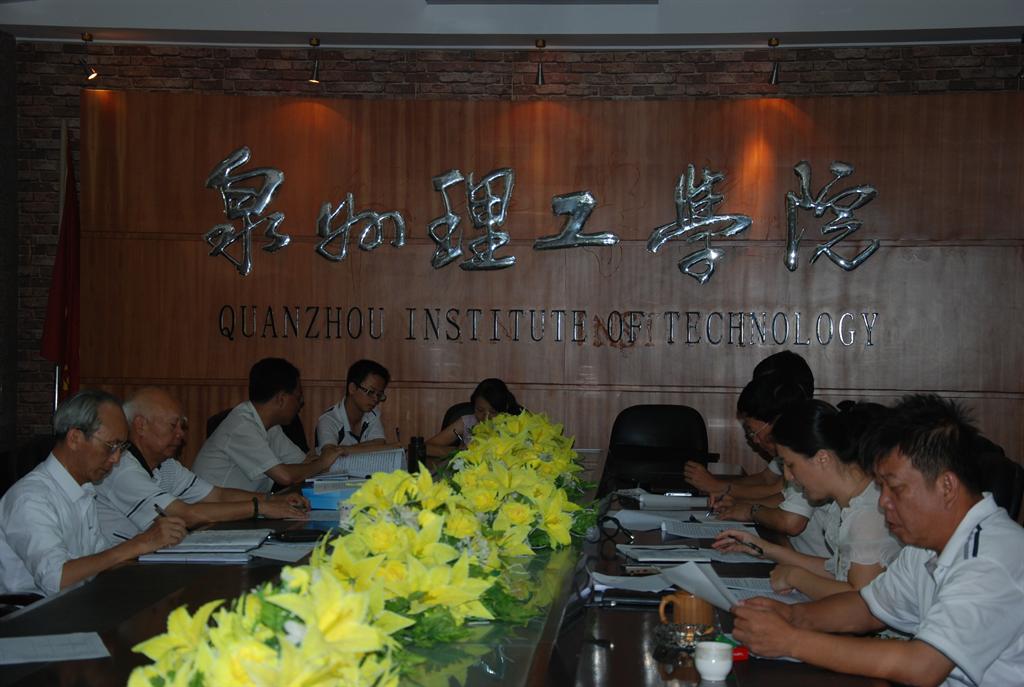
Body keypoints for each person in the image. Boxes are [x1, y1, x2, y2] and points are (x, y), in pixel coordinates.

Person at [732, 394, 1024, 686]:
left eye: (895, 488)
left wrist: (791, 641)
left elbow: (922, 666)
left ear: (946, 486)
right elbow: (868, 608)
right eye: (881, 487)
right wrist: (792, 615)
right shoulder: (925, 546)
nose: (883, 502)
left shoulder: (991, 558)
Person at [0, 390, 186, 597]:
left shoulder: (84, 490)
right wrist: (140, 543)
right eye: (111, 447)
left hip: (76, 603)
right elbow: (56, 579)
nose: (116, 459)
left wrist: (157, 557)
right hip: (33, 611)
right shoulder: (30, 498)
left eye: (121, 448)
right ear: (75, 438)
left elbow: (100, 560)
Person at [714, 400, 902, 600]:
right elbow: (838, 572)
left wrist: (795, 577)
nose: (788, 477)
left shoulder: (868, 512)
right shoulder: (844, 504)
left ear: (822, 458)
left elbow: (860, 600)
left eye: (790, 465)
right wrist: (764, 548)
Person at [95, 387, 310, 541]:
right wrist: (260, 507)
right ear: (141, 425)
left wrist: (273, 499)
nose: (180, 434)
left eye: (182, 426)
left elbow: (217, 495)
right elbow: (186, 514)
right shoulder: (121, 469)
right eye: (173, 425)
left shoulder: (166, 465)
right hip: (117, 571)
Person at [193, 358, 343, 492]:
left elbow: (303, 463)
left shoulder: (270, 426)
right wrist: (323, 462)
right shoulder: (241, 426)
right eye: (298, 397)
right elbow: (285, 476)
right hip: (212, 511)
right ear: (281, 399)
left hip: (243, 508)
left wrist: (334, 458)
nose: (301, 403)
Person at [315, 360, 397, 459]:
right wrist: (374, 447)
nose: (376, 399)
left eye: (379, 395)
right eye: (370, 392)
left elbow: (380, 444)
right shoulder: (328, 420)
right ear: (352, 388)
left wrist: (342, 450)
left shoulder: (372, 414)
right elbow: (329, 455)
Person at [425, 378, 523, 458]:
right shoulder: (468, 421)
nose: (486, 418)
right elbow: (424, 448)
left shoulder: (516, 424)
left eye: (493, 412)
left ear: (504, 408)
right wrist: (457, 451)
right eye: (480, 410)